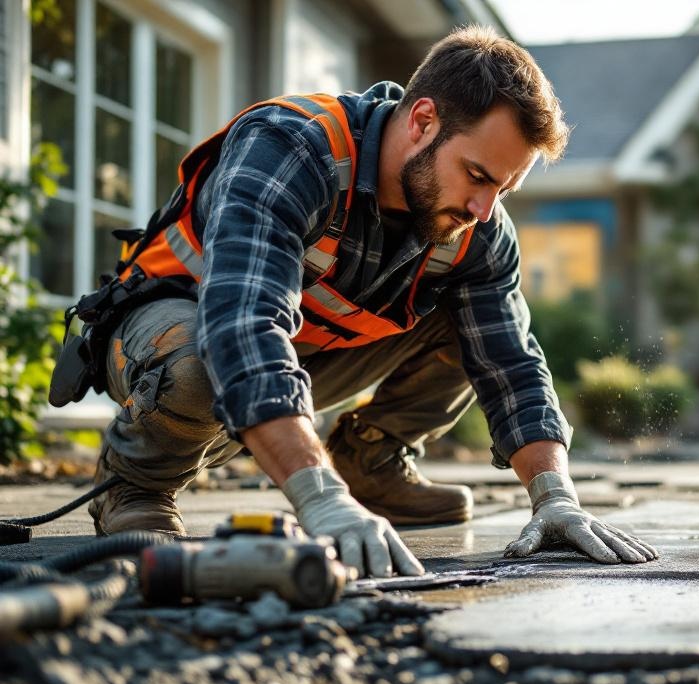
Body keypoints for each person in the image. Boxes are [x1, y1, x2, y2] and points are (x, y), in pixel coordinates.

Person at [84, 25, 658, 577]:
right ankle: (138, 484)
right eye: (477, 175)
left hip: (301, 359)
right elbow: (241, 326)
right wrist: (319, 496)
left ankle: (370, 459)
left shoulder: (476, 224)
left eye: (502, 189)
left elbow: (512, 362)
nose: (484, 209)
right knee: (194, 370)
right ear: (423, 121)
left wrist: (555, 497)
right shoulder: (291, 149)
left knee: (474, 328)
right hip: (166, 334)